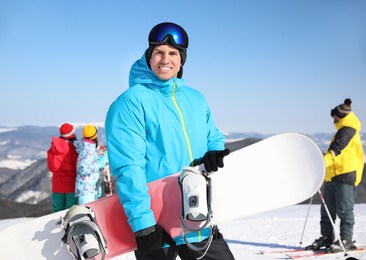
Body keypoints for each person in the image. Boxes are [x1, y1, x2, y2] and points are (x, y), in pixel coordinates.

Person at [105, 22, 234, 260]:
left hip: (198, 216)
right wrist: (142, 223)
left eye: (173, 53)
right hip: (157, 225)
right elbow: (128, 167)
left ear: (182, 60)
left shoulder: (196, 99)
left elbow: (213, 136)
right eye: (159, 52)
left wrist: (215, 152)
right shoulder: (131, 102)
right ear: (149, 57)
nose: (166, 59)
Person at [307, 98, 364, 253]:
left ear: (340, 115)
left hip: (345, 176)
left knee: (344, 210)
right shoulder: (343, 129)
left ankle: (345, 241)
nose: (332, 117)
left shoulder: (348, 130)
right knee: (327, 211)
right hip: (333, 175)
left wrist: (318, 166)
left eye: (334, 114)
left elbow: (334, 152)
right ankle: (327, 237)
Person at [47, 123, 79, 212]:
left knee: (57, 213)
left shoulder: (52, 149)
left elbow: (51, 168)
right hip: (71, 186)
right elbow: (78, 168)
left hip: (57, 186)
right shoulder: (72, 150)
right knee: (71, 212)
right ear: (72, 135)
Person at [75, 125, 108, 205]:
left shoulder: (88, 148)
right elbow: (84, 169)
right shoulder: (87, 150)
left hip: (89, 188)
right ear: (95, 135)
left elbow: (89, 165)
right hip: (86, 191)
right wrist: (99, 163)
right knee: (88, 214)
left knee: (92, 214)